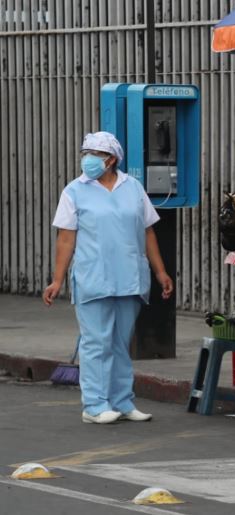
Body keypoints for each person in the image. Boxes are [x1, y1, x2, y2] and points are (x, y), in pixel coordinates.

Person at [43, 131, 174, 424]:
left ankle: (122, 401)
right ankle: (94, 405)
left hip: (129, 276)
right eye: (85, 154)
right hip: (93, 277)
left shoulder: (133, 187)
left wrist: (160, 271)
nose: (87, 160)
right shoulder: (74, 191)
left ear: (112, 159)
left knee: (120, 342)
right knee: (96, 342)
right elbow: (65, 239)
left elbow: (147, 230)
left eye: (94, 154)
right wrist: (57, 279)